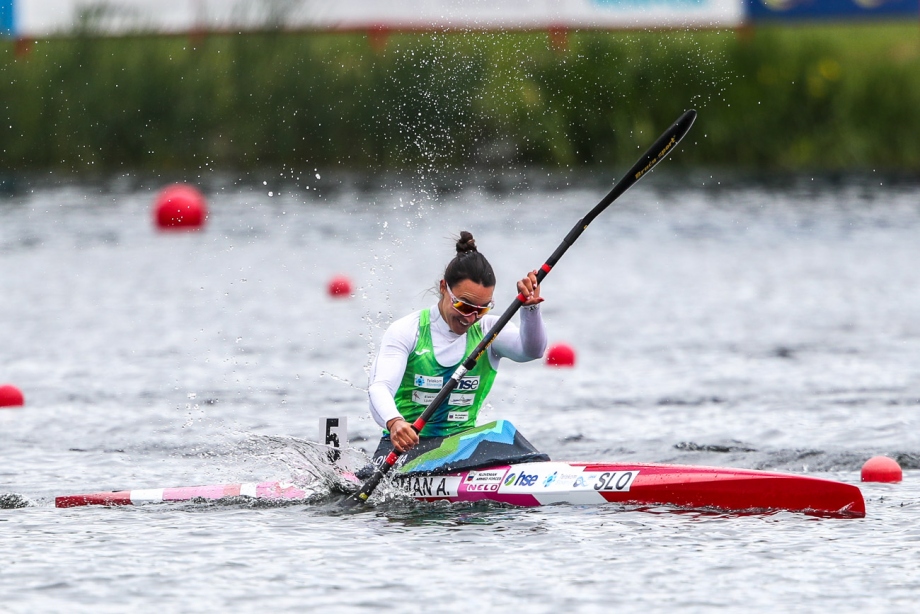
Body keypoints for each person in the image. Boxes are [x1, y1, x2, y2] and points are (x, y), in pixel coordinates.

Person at [366, 230, 547, 464]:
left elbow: (531, 351)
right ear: (444, 287)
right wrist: (395, 422)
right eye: (463, 305)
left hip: (463, 449)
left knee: (502, 431)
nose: (470, 318)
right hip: (402, 452)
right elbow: (379, 387)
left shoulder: (488, 331)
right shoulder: (407, 331)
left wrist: (530, 308)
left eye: (481, 309)